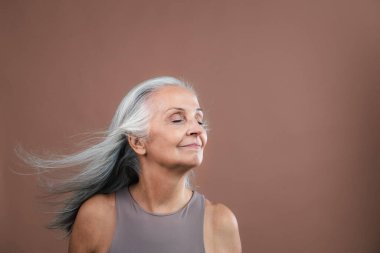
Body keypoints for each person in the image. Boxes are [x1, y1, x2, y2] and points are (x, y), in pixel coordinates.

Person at [18, 76, 241, 253]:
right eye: (177, 119)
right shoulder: (97, 216)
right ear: (137, 142)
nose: (197, 129)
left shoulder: (220, 221)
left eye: (199, 119)